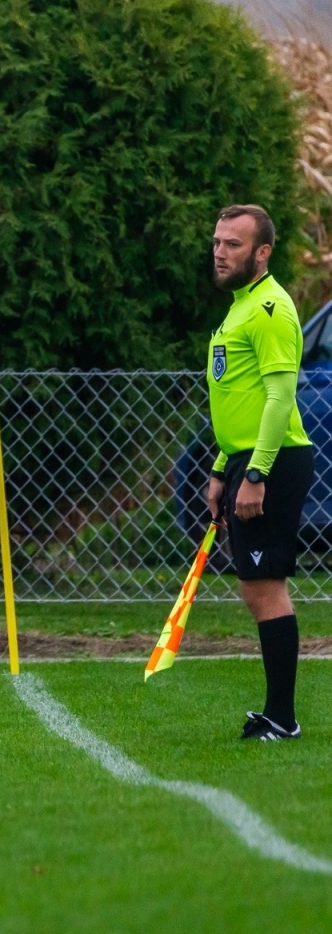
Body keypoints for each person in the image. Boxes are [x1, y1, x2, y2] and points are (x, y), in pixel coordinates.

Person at [204, 204, 314, 741]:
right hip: (246, 460)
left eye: (234, 244)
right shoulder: (240, 307)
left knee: (265, 587)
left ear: (262, 252)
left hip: (272, 461)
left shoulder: (270, 308)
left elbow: (279, 397)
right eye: (217, 242)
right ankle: (277, 715)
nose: (220, 252)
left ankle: (282, 720)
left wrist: (255, 473)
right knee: (256, 587)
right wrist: (221, 468)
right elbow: (239, 400)